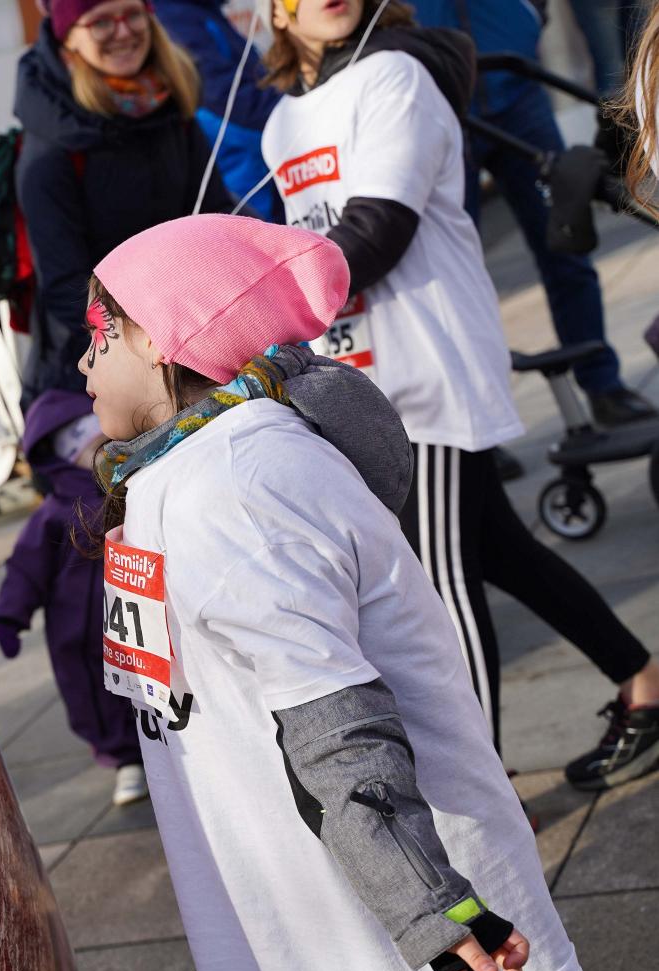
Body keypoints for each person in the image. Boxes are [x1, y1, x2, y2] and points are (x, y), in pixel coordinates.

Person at [82, 213, 579, 971]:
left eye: (99, 336)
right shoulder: (180, 471)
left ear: (155, 338)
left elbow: (336, 723)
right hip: (313, 908)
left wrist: (434, 913)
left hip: (398, 931)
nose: (84, 363)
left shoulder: (235, 486)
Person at [261, 0, 659, 790]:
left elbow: (376, 231)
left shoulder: (396, 75)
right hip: (365, 382)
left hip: (426, 378)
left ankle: (484, 794)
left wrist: (262, 301)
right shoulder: (283, 121)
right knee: (503, 551)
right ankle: (643, 683)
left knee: (442, 590)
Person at [412, 0, 657, 428]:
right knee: (453, 274)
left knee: (567, 238)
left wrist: (526, 16)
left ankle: (603, 386)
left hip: (515, 84)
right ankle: (479, 426)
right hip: (435, 100)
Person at [14, 0, 233, 402]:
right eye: (100, 22)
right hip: (91, 378)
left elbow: (215, 215)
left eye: (132, 14)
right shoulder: (52, 150)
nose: (123, 31)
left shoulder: (168, 104)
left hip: (186, 352)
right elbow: (67, 288)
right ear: (69, 36)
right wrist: (152, 345)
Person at [0, 390, 146, 807]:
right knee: (96, 694)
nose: (105, 456)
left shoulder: (132, 490)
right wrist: (10, 616)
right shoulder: (54, 514)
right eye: (95, 449)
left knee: (150, 682)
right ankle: (126, 760)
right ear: (67, 457)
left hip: (136, 616)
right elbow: (25, 568)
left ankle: (163, 745)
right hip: (80, 632)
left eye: (108, 445)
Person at [152, 0, 283, 220]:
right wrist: (294, 109)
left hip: (254, 161)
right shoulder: (174, 16)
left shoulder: (201, 10)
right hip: (242, 168)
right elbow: (222, 96)